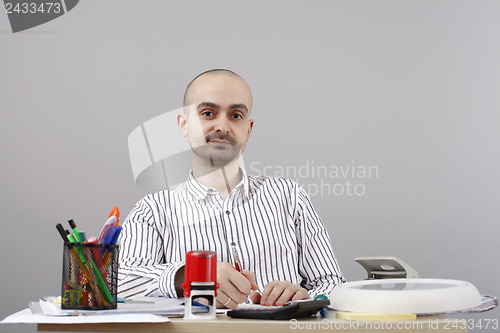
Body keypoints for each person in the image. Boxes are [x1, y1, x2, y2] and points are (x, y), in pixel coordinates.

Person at [118, 69, 345, 309]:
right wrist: (190, 275)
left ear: (248, 129)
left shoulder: (290, 197)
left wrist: (305, 298)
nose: (223, 126)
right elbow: (121, 283)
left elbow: (331, 284)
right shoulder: (153, 210)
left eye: (236, 115)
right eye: (208, 113)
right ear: (184, 125)